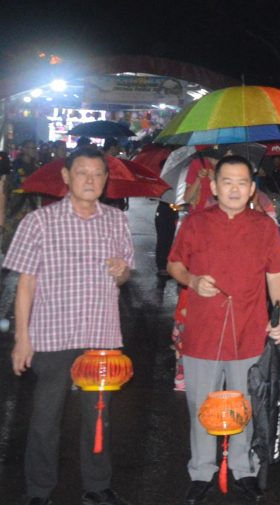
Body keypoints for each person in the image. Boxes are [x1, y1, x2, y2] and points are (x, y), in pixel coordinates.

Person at [8, 147, 134, 505]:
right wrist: (22, 338)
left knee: (98, 417)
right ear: (66, 177)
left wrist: (120, 271)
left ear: (106, 180)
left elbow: (124, 275)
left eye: (97, 174)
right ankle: (38, 491)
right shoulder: (39, 222)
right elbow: (26, 284)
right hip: (52, 334)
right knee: (45, 419)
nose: (90, 180)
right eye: (82, 173)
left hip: (100, 337)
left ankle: (97, 486)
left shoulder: (116, 220)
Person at [167, 155, 280, 504]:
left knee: (244, 405)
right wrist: (191, 280)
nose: (234, 189)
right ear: (216, 187)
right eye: (227, 182)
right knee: (201, 405)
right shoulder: (195, 223)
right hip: (202, 332)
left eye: (242, 183)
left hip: (249, 331)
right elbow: (174, 263)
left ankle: (243, 467)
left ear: (251, 189)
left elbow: (275, 275)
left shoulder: (264, 226)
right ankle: (202, 470)